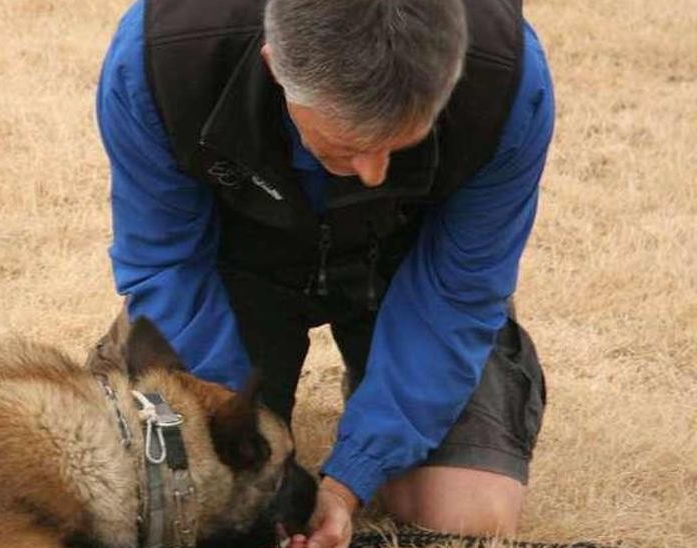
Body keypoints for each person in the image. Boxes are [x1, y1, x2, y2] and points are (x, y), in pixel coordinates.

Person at [94, 0, 555, 546]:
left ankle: (380, 387)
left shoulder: (505, 81)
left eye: (401, 143)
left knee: (467, 513)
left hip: (404, 268)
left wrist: (350, 479)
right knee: (166, 497)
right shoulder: (161, 57)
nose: (374, 173)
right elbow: (167, 264)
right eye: (348, 148)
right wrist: (247, 437)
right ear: (276, 67)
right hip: (238, 263)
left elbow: (458, 294)